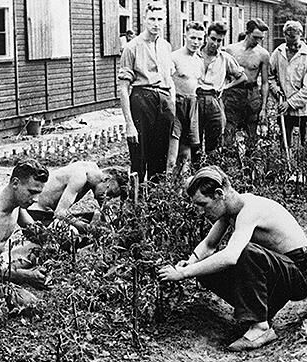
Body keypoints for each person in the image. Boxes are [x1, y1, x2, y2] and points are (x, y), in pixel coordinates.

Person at [158, 166, 307, 351]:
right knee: (204, 268)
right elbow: (209, 245)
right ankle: (261, 311)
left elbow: (231, 257)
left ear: (219, 194)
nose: (201, 212)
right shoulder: (230, 211)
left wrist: (183, 274)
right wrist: (190, 263)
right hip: (280, 271)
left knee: (244, 252)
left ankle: (260, 327)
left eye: (203, 204)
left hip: (301, 272)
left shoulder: (249, 210)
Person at [118, 0, 176, 182]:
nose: (156, 23)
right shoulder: (132, 47)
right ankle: (137, 204)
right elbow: (123, 88)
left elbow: (170, 79)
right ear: (144, 19)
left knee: (160, 158)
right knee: (139, 156)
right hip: (142, 99)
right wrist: (129, 124)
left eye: (160, 19)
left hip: (164, 101)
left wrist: (171, 104)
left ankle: (155, 203)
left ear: (165, 20)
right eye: (152, 19)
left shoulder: (166, 46)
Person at [28, 161, 128, 232]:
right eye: (109, 193)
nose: (107, 198)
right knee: (76, 233)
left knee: (95, 217)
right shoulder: (80, 177)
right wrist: (88, 228)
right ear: (106, 179)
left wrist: (112, 220)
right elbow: (60, 213)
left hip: (49, 213)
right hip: (36, 214)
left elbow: (103, 208)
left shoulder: (94, 172)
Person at [195, 22, 247, 159]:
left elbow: (242, 77)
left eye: (219, 40)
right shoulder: (194, 55)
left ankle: (210, 175)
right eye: (213, 39)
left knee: (215, 143)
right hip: (195, 100)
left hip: (214, 101)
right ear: (206, 37)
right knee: (194, 141)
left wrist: (225, 87)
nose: (215, 43)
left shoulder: (225, 58)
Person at [224, 18, 270, 153]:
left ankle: (251, 168)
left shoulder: (263, 54)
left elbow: (265, 82)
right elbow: (224, 75)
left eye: (261, 38)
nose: (258, 41)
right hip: (233, 94)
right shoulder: (231, 50)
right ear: (247, 33)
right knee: (228, 132)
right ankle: (228, 166)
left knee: (252, 135)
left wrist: (263, 108)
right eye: (255, 37)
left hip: (252, 94)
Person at [269, 20, 307, 148]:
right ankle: (285, 166)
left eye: (294, 41)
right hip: (283, 107)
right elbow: (270, 76)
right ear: (284, 35)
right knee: (285, 143)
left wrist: (290, 103)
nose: (292, 46)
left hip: (304, 108)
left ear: (300, 35)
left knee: (305, 143)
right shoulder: (278, 53)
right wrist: (275, 89)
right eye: (288, 40)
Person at [167, 22, 205, 176]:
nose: (196, 42)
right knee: (172, 153)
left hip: (192, 105)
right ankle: (166, 184)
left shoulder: (199, 61)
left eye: (200, 39)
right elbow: (166, 81)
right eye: (192, 38)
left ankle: (181, 189)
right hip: (176, 105)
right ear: (185, 37)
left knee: (187, 153)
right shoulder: (174, 57)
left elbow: (198, 84)